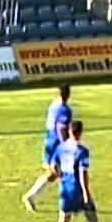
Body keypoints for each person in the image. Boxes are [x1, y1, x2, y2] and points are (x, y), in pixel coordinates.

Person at [49, 120, 108, 222]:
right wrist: (86, 192)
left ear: (70, 131)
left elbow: (52, 165)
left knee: (64, 220)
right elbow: (83, 173)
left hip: (65, 189)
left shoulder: (60, 148)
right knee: (92, 217)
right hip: (78, 190)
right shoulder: (82, 151)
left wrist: (60, 176)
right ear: (80, 133)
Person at [22, 84, 73, 212]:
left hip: (49, 140)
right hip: (57, 144)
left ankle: (31, 196)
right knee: (64, 172)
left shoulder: (54, 104)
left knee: (53, 173)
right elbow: (61, 128)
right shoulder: (64, 109)